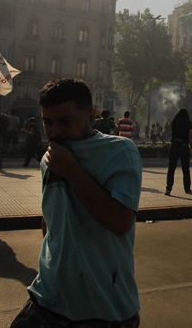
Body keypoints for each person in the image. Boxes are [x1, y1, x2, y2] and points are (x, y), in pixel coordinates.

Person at [10, 79, 142, 326]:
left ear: (90, 115)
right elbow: (50, 218)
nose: (55, 131)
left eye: (65, 122)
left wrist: (72, 170)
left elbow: (120, 222)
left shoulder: (120, 151)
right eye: (47, 122)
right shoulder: (50, 158)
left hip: (103, 308)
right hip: (47, 297)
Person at [164, 109, 192, 196]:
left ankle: (168, 189)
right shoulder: (189, 123)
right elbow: (191, 135)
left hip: (174, 146)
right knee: (186, 169)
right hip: (184, 147)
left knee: (171, 169)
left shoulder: (174, 122)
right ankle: (187, 189)